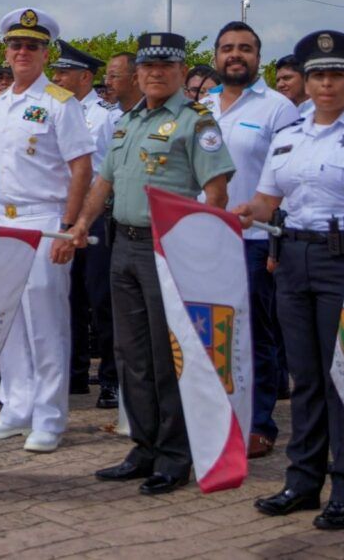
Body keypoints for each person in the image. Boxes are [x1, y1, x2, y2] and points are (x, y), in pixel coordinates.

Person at [70, 32, 235, 495]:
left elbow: (216, 193)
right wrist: (83, 223)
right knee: (130, 353)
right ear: (138, 73)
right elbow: (104, 182)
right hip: (123, 244)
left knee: (167, 358)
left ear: (182, 71)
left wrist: (202, 249)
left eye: (166, 67)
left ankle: (174, 455)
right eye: (148, 67)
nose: (156, 74)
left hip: (169, 250)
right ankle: (143, 447)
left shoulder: (196, 122)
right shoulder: (128, 122)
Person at [236, 30, 344, 531]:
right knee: (306, 377)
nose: (325, 84)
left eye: (337, 75)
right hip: (291, 261)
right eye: (317, 75)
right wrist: (241, 214)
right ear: (307, 82)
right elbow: (266, 201)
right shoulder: (287, 136)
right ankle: (302, 481)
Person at [0, 7, 94, 453]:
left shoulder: (60, 102)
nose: (23, 52)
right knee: (10, 322)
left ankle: (50, 418)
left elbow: (81, 167)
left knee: (45, 324)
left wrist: (68, 226)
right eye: (16, 44)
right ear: (6, 50)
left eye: (32, 46)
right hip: (4, 219)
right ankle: (16, 408)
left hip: (44, 218)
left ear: (44, 53)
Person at [199, 21, 299, 459]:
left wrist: (278, 246)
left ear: (259, 57)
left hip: (255, 241)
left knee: (255, 336)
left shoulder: (278, 109)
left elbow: (289, 182)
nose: (234, 55)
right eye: (226, 48)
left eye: (244, 49)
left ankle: (260, 424)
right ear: (217, 56)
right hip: (202, 241)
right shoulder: (199, 108)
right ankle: (217, 418)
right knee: (211, 334)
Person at [49, 40, 119, 410]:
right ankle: (74, 374)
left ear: (85, 77)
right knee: (68, 296)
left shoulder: (104, 116)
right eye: (56, 71)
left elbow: (109, 170)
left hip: (95, 217)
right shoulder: (56, 110)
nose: (56, 77)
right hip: (62, 214)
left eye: (63, 72)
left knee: (100, 298)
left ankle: (111, 379)